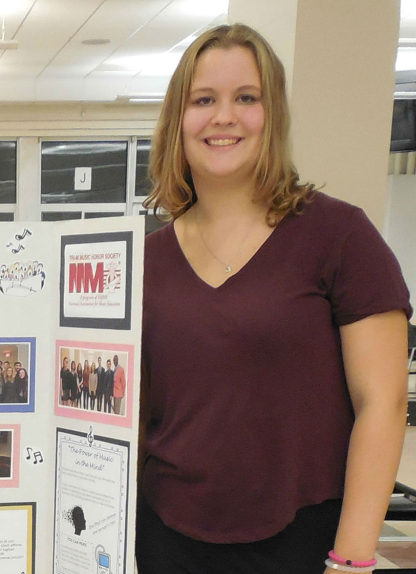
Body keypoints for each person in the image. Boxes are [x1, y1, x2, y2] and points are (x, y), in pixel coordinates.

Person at [138, 24, 411, 574]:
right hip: (165, 536)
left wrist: (353, 557)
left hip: (303, 541)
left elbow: (382, 405)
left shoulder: (340, 236)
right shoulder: (146, 259)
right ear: (178, 120)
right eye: (203, 100)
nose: (223, 117)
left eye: (246, 98)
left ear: (274, 115)